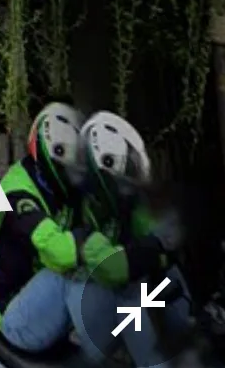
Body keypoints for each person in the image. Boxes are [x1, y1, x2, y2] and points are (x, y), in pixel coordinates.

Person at [72, 111, 194, 367]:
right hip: (97, 316)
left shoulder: (126, 209)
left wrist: (162, 251)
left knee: (169, 282)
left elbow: (163, 241)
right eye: (126, 169)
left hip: (132, 304)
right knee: (132, 298)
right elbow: (115, 268)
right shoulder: (84, 216)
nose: (130, 181)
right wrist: (156, 249)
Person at [0, 100, 89, 350]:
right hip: (8, 315)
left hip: (36, 300)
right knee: (71, 274)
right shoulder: (16, 194)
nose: (74, 177)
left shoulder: (61, 191)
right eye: (69, 169)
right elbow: (61, 253)